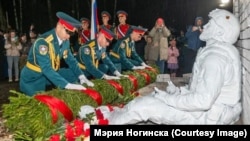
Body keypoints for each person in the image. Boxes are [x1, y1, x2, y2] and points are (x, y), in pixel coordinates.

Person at [79, 9, 242, 125]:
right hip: (202, 112)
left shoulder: (215, 59)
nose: (204, 26)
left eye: (210, 24)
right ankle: (108, 114)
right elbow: (201, 92)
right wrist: (178, 92)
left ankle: (102, 123)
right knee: (145, 101)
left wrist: (168, 98)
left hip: (203, 118)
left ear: (220, 33)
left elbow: (203, 101)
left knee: (145, 106)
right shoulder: (216, 53)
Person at [20, 11, 94, 96]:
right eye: (68, 32)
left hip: (52, 72)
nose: (69, 36)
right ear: (59, 26)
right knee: (39, 102)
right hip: (34, 77)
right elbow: (46, 68)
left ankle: (73, 95)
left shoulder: (65, 41)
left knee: (73, 74)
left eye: (72, 34)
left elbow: (71, 60)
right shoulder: (43, 42)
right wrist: (67, 85)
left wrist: (81, 76)